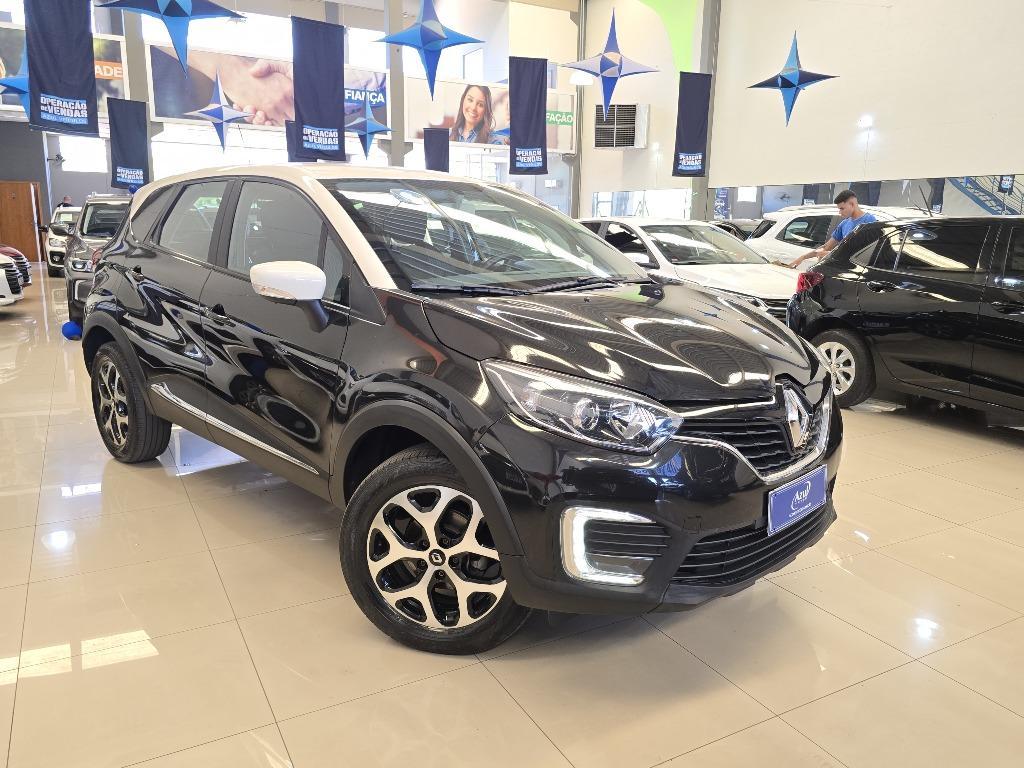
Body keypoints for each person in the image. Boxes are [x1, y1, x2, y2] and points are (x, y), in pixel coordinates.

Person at [786, 190, 877, 269]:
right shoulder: (844, 224)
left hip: (858, 270)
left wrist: (831, 254)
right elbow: (826, 247)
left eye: (842, 208)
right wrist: (803, 257)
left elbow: (869, 252)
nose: (840, 212)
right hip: (841, 268)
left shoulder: (869, 221)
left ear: (852, 204)